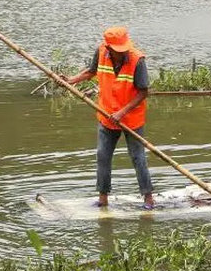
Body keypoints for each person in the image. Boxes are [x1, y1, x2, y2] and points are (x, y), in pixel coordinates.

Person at [63, 26, 154, 210]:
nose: (122, 53)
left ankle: (148, 198)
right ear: (109, 48)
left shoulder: (137, 60)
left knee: (138, 157)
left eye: (123, 49)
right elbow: (91, 71)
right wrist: (70, 80)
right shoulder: (101, 52)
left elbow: (143, 92)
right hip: (106, 115)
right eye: (117, 50)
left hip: (131, 118)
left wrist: (122, 112)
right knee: (102, 156)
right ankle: (103, 198)